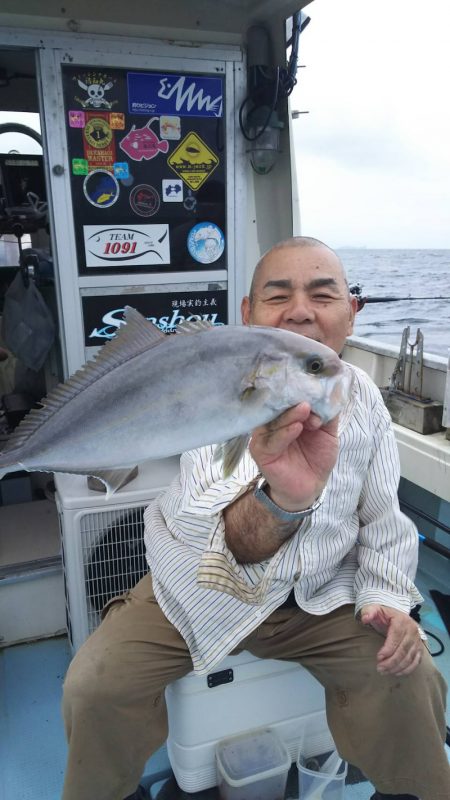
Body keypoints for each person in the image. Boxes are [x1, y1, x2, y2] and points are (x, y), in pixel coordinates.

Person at [62, 236, 450, 800]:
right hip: (194, 588)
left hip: (321, 594)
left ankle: (410, 793)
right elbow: (213, 533)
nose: (300, 309)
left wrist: (387, 598)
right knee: (94, 687)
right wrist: (283, 498)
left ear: (352, 312)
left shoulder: (363, 397)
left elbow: (382, 517)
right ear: (247, 315)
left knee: (410, 677)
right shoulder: (216, 387)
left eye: (323, 294)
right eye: (278, 296)